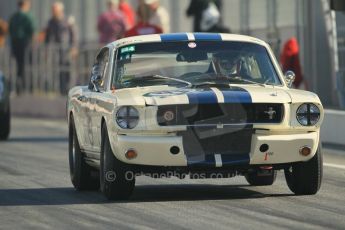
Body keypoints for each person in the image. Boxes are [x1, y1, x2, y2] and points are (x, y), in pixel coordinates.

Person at [45, 1, 77, 95]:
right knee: (59, 70)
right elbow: (48, 36)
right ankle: (61, 90)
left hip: (68, 49)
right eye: (52, 10)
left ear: (60, 10)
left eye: (55, 10)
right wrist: (46, 49)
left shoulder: (68, 20)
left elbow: (74, 34)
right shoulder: (51, 22)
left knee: (69, 69)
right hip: (56, 50)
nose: (53, 12)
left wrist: (74, 47)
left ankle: (70, 89)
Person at [9, 0, 35, 93]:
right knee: (29, 65)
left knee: (19, 66)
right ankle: (28, 87)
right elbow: (32, 30)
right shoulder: (28, 16)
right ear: (26, 5)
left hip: (15, 44)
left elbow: (10, 30)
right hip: (25, 44)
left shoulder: (14, 17)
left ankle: (18, 87)